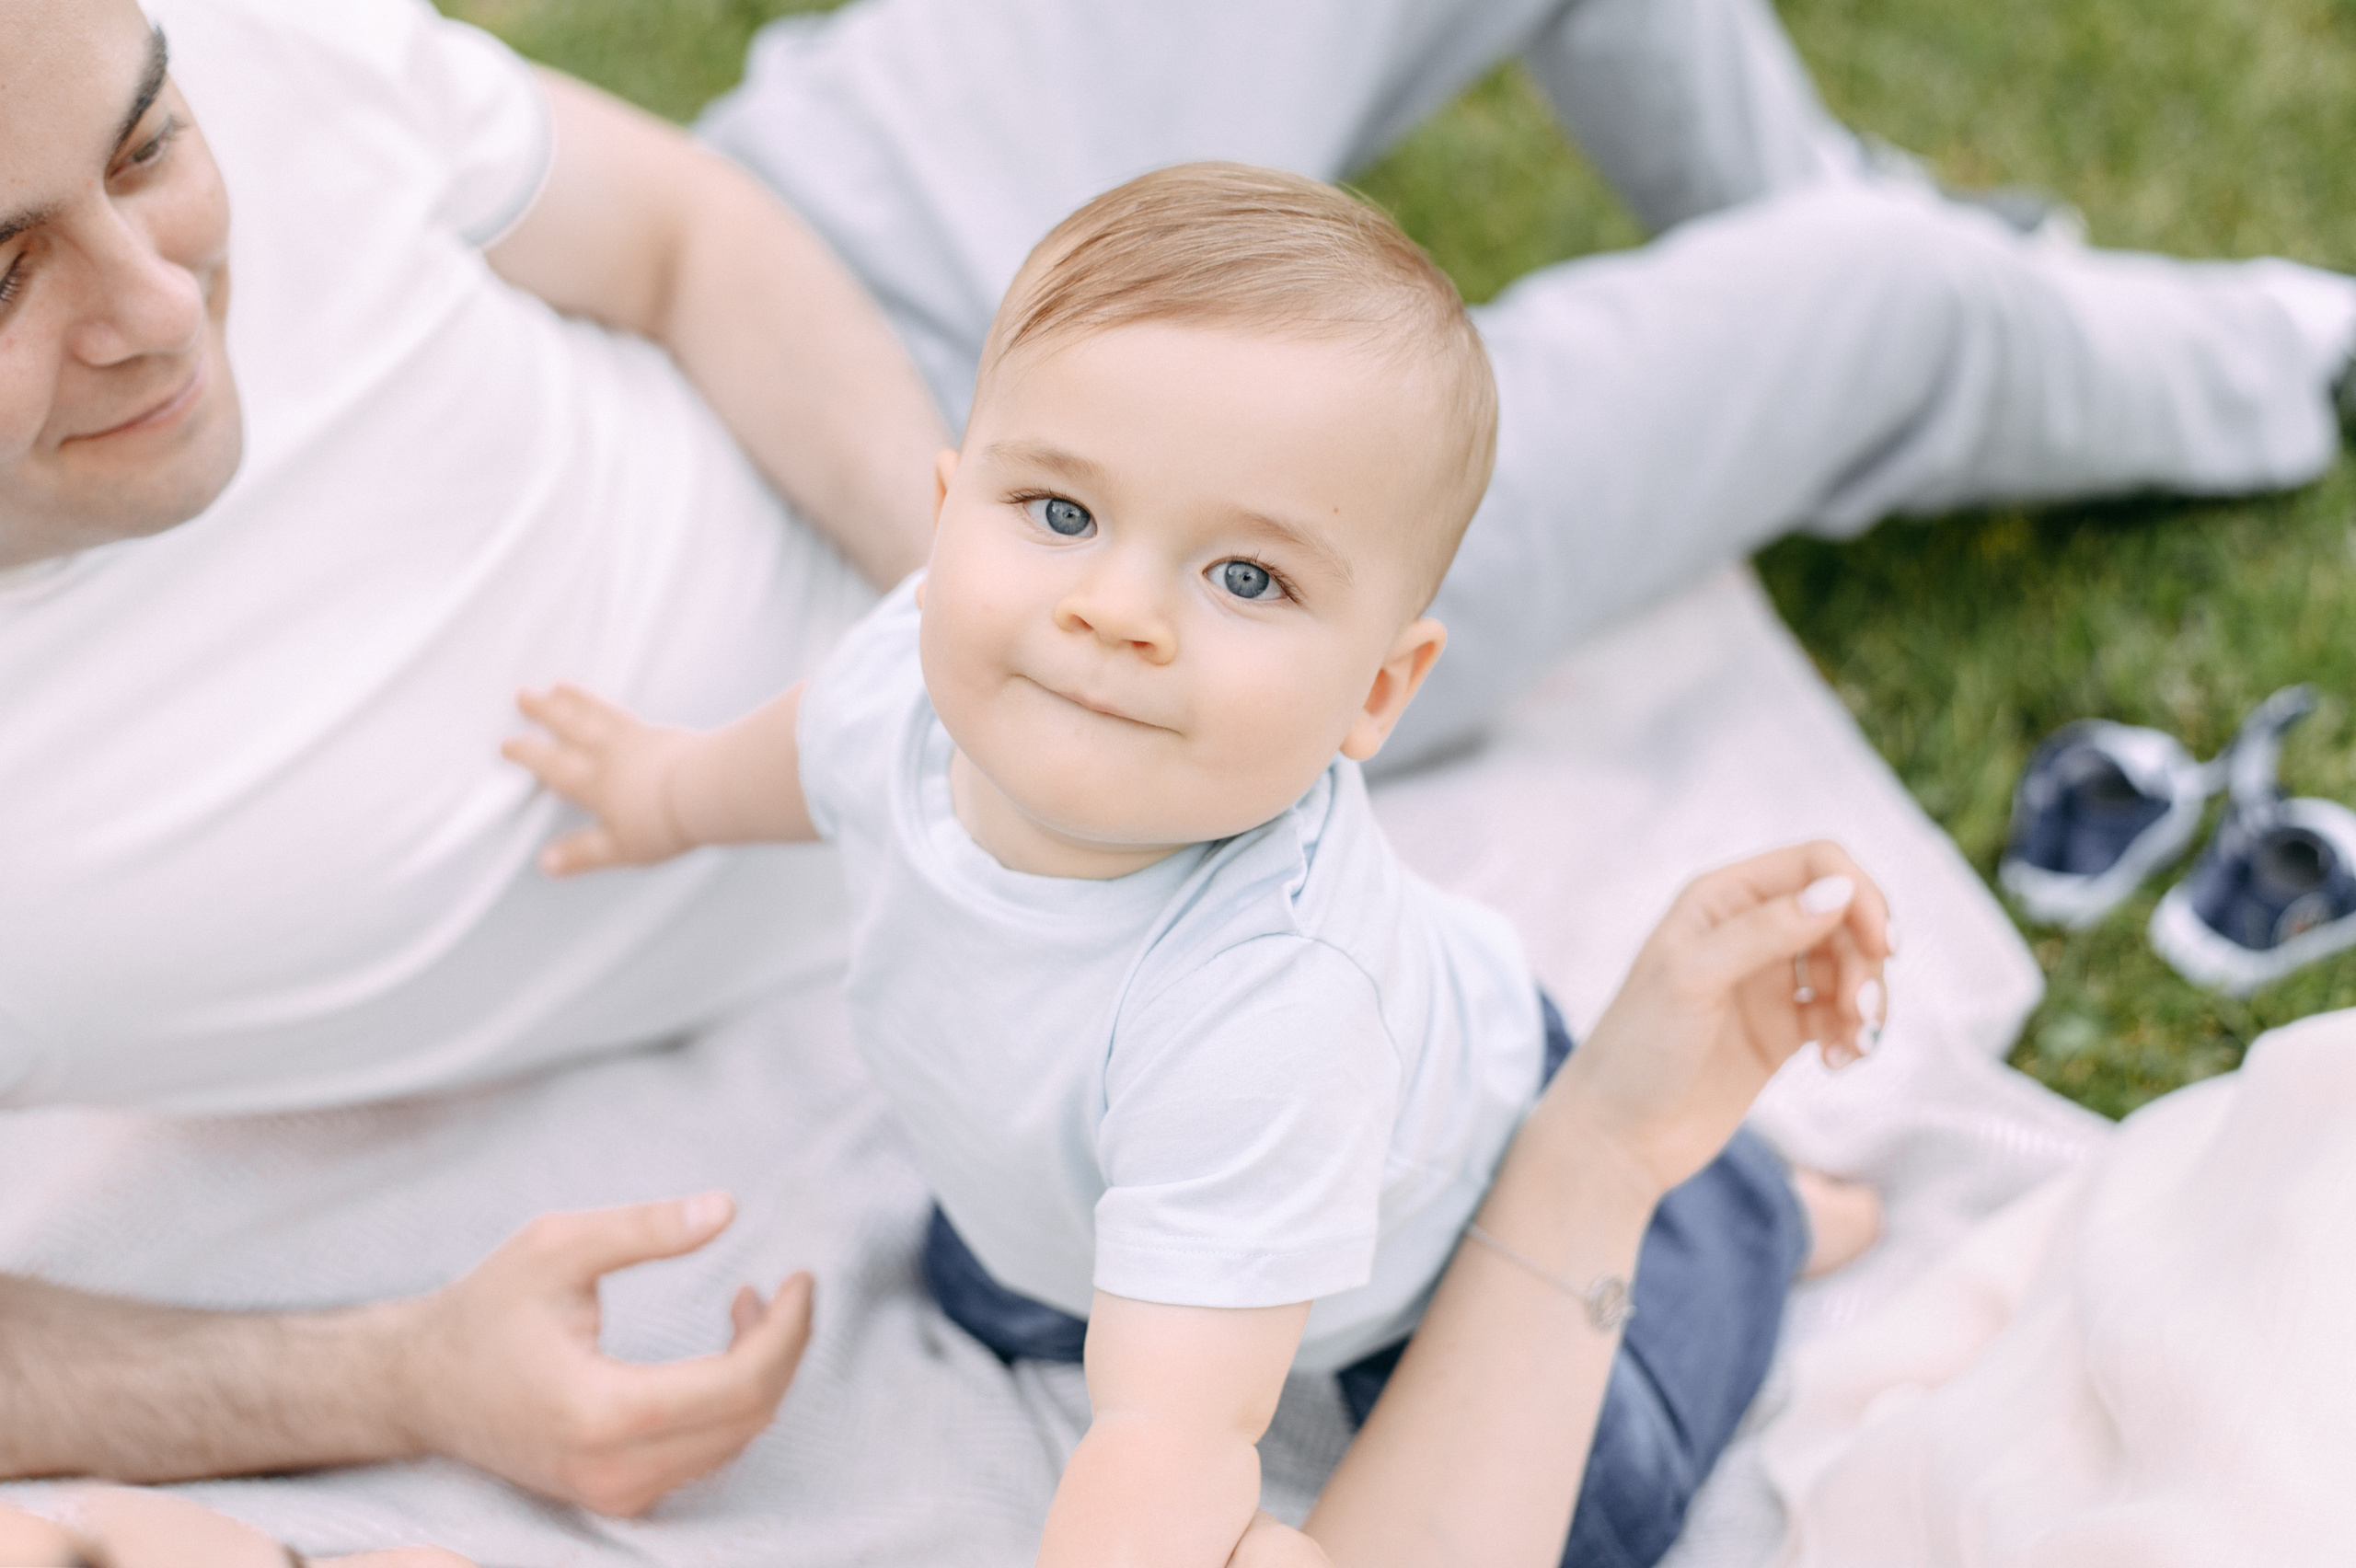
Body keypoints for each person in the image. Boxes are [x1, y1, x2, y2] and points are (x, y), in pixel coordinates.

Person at [0, 0, 2349, 1528]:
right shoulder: (1082, 764)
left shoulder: (1089, 723)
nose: (158, 299)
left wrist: (1032, 523)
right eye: (3, 268)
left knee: (1664, 1286)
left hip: (934, 425)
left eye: (158, 146)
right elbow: (782, 775)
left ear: (1373, 702)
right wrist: (394, 1366)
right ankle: (2210, 338)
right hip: (1032, 587)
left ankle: (1853, 232)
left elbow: (696, 247)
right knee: (1867, 319)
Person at [504, 161, 1890, 1568]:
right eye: (1058, 512)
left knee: (1604, 1501)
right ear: (944, 519)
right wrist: (663, 792)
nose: (1115, 611)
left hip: (1442, 1201)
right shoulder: (909, 686)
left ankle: (1746, 1212)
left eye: (1246, 579)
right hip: (1085, 1174)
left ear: (1376, 692)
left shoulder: (1265, 1004)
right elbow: (810, 752)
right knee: (996, 1286)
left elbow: (1176, 1433)